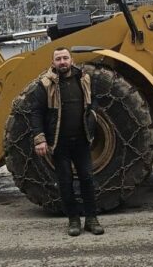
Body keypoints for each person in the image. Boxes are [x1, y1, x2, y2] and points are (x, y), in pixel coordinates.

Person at [31, 47, 104, 236]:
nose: (62, 62)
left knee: (87, 179)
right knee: (65, 181)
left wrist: (93, 115)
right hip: (59, 142)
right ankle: (73, 220)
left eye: (65, 58)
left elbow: (93, 100)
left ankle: (91, 219)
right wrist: (40, 139)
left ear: (72, 60)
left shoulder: (84, 79)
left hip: (81, 140)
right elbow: (36, 112)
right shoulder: (45, 85)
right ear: (53, 62)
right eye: (58, 59)